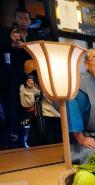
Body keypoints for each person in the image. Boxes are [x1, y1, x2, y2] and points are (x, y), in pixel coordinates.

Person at [0, 9, 42, 148]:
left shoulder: (35, 35)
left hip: (31, 74)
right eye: (21, 18)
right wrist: (10, 44)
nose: (23, 21)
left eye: (26, 19)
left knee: (31, 103)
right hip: (12, 75)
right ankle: (14, 134)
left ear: (30, 21)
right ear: (16, 19)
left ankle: (33, 133)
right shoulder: (8, 33)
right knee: (13, 103)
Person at [20, 73, 62, 146]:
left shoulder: (52, 82)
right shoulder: (25, 86)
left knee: (55, 147)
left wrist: (43, 88)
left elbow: (59, 106)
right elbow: (27, 106)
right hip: (36, 121)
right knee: (37, 148)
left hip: (53, 120)